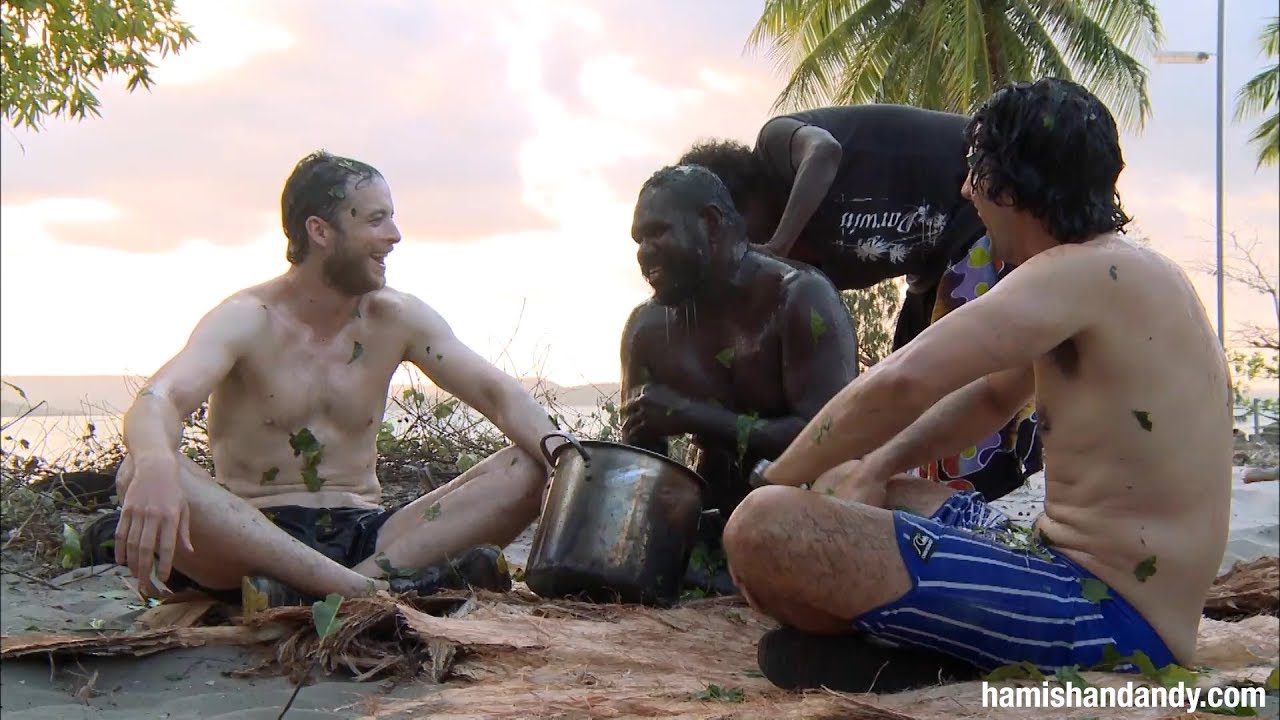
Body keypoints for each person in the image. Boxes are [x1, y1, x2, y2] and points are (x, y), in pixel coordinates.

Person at [722, 79, 1232, 693]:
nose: (966, 190)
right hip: (1092, 586)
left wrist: (774, 478)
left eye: (974, 171)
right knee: (864, 486)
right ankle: (915, 653)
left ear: (1012, 184)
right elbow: (992, 397)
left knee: (761, 527)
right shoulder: (1125, 272)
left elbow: (904, 379)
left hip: (1108, 621)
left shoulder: (1076, 273)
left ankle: (914, 667)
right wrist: (876, 465)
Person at [84, 150, 561, 606]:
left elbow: (498, 394)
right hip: (254, 538)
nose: (394, 235)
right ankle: (369, 595)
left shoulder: (397, 317)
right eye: (375, 220)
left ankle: (328, 591)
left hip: (371, 538)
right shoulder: (247, 318)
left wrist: (566, 455)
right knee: (137, 473)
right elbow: (158, 400)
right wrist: (154, 463)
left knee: (531, 462)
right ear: (320, 231)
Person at [680, 104, 1040, 503]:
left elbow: (824, 152)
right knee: (909, 414)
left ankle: (991, 527)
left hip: (981, 226)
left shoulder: (777, 145)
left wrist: (778, 244)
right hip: (931, 274)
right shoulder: (801, 268)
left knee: (957, 394)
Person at [619, 164, 859, 593]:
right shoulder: (647, 330)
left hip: (806, 516)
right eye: (639, 240)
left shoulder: (800, 299)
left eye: (658, 232)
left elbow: (831, 438)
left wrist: (692, 415)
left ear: (710, 224)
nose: (644, 252)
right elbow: (637, 470)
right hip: (709, 529)